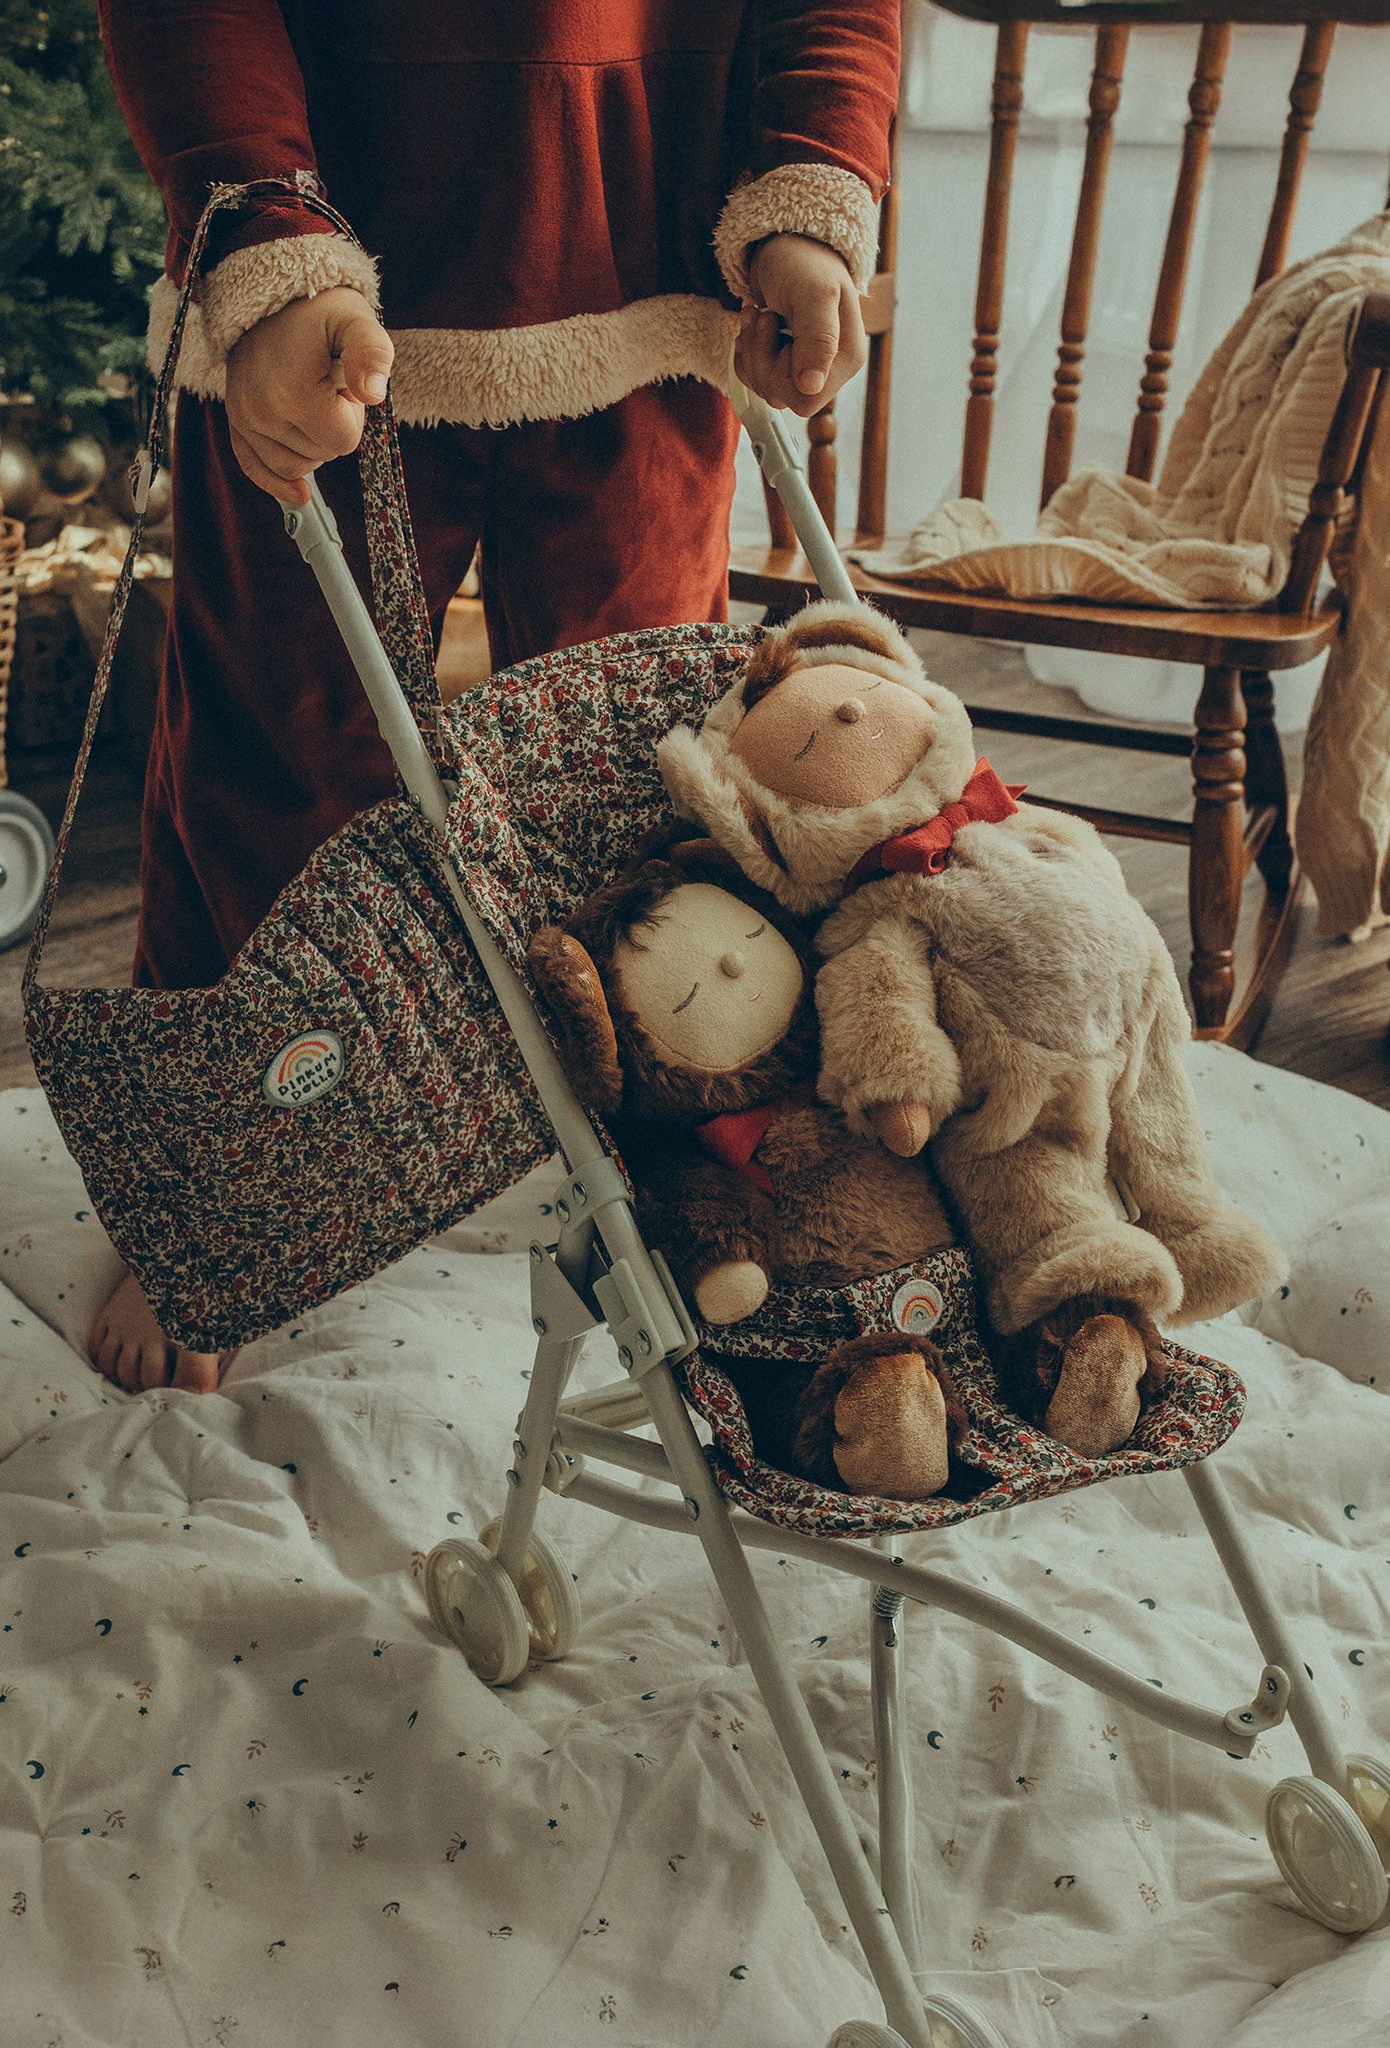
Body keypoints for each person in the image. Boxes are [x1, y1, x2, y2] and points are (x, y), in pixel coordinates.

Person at [88, 0, 901, 1392]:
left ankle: (673, 1166)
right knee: (273, 763)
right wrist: (269, 243)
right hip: (306, 278)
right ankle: (213, 1173)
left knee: (640, 788)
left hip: (641, 271)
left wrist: (809, 198)